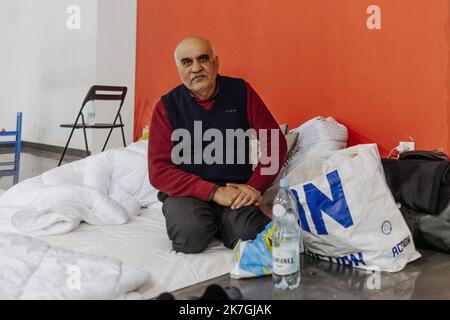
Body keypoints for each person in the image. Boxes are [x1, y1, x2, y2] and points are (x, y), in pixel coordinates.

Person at [148, 36, 287, 253]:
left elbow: (275, 142)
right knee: (190, 237)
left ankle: (223, 223)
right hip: (187, 194)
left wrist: (255, 186)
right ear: (179, 69)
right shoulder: (167, 106)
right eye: (187, 62)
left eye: (202, 59)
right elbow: (158, 171)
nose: (196, 68)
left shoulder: (241, 92)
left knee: (255, 234)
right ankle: (209, 222)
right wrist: (213, 192)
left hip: (235, 190)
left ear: (216, 62)